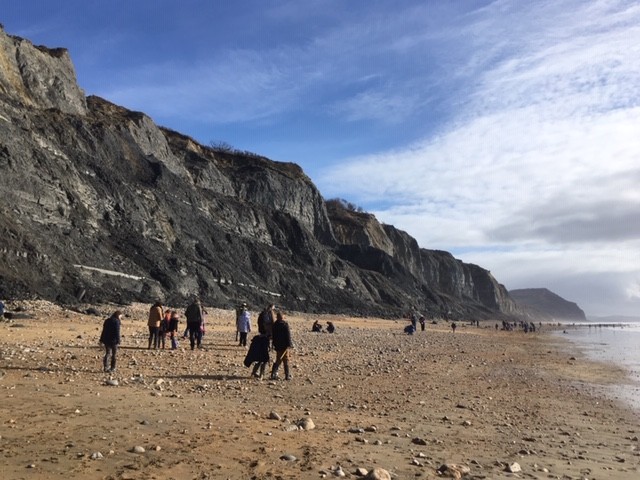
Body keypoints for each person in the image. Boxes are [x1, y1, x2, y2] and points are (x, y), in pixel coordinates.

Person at [270, 311, 293, 380]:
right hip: (284, 345)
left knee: (278, 359)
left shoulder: (275, 325)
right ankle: (287, 375)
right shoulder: (285, 324)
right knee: (285, 360)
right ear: (282, 317)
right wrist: (289, 344)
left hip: (277, 345)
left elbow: (273, 336)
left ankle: (273, 373)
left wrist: (273, 344)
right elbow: (288, 335)